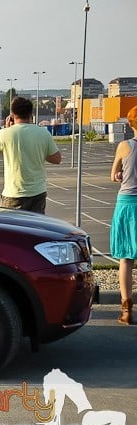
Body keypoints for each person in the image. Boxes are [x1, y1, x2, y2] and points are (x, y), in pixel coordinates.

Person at [0, 96, 61, 213]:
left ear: (11, 114)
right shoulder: (43, 133)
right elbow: (57, 159)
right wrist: (39, 152)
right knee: (34, 230)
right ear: (31, 114)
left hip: (13, 194)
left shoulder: (5, 134)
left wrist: (6, 129)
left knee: (11, 230)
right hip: (37, 193)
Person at [109, 105, 137, 325]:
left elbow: (114, 175)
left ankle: (127, 310)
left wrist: (120, 174)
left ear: (130, 124)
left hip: (126, 203)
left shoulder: (124, 146)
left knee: (126, 258)